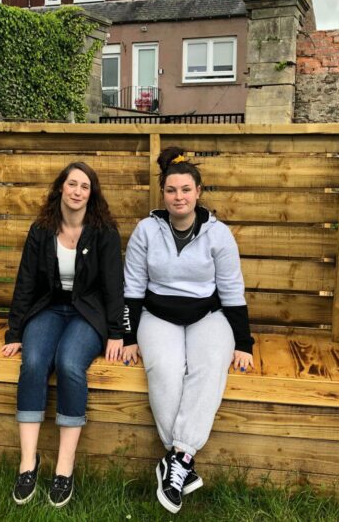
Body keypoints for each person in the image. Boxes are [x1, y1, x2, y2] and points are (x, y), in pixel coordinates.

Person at [122, 147, 254, 514]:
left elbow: (232, 291)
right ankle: (183, 457)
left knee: (210, 366)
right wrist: (130, 336)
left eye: (185, 190)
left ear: (198, 192)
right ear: (162, 194)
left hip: (207, 316)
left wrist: (243, 342)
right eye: (171, 190)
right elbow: (132, 288)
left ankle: (177, 458)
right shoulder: (146, 230)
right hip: (157, 315)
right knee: (164, 369)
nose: (178, 197)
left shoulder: (219, 234)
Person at [1, 161, 125, 508]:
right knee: (35, 360)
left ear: (92, 194)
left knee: (69, 362)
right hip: (50, 308)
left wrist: (117, 332)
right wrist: (14, 332)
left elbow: (115, 286)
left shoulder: (104, 231)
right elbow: (26, 281)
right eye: (72, 184)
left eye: (85, 187)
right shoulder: (41, 229)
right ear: (60, 188)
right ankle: (28, 463)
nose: (77, 192)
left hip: (89, 314)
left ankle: (64, 467)